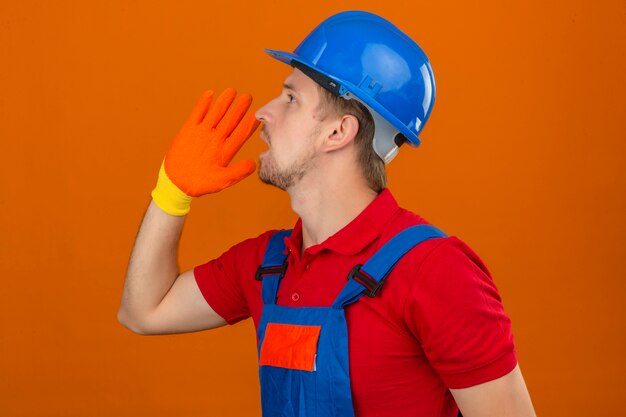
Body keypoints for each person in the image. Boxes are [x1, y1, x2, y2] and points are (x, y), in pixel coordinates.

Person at [118, 10, 536, 417]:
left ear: (339, 131)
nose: (263, 113)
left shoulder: (435, 271)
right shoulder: (267, 265)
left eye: (290, 99)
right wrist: (170, 193)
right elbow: (144, 311)